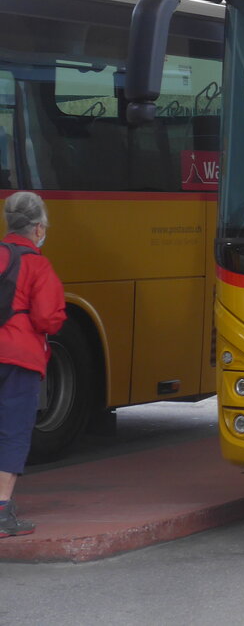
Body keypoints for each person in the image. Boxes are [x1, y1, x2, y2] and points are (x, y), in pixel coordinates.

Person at [0, 192, 65, 538]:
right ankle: (1, 511)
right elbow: (49, 318)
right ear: (38, 228)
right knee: (12, 430)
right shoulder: (37, 264)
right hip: (19, 356)